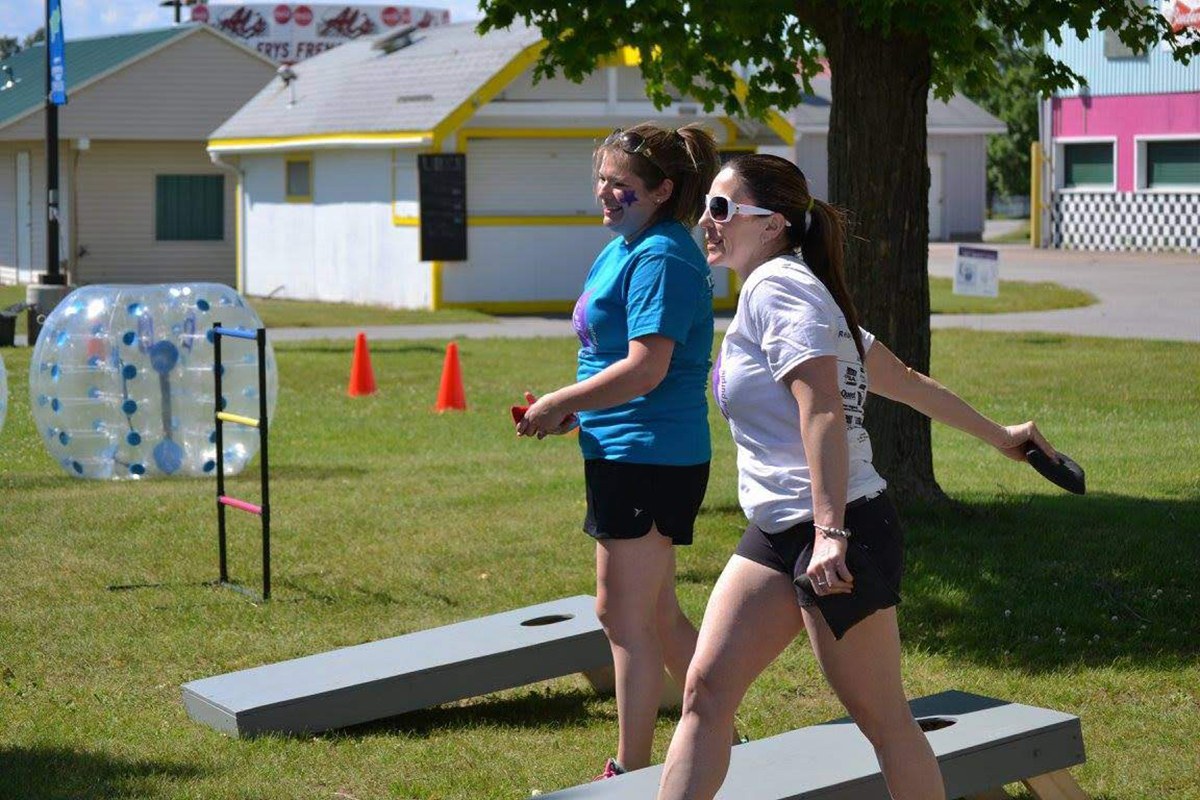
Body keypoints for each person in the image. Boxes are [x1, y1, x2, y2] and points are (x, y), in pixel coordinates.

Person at [656, 154, 1064, 800]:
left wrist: (829, 533)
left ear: (773, 224)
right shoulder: (799, 291)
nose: (706, 220)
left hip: (837, 529)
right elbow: (907, 382)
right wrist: (1002, 436)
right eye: (707, 206)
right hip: (780, 527)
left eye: (722, 208)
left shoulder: (777, 289)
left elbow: (822, 408)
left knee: (884, 722)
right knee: (705, 690)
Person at [516, 123, 722, 779]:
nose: (605, 192)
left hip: (649, 456)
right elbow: (612, 361)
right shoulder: (627, 246)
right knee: (656, 613)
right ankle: (720, 733)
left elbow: (646, 368)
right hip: (625, 449)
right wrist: (577, 410)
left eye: (621, 183)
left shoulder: (661, 257)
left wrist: (563, 400)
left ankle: (630, 771)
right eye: (602, 179)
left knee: (622, 616)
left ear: (662, 191)